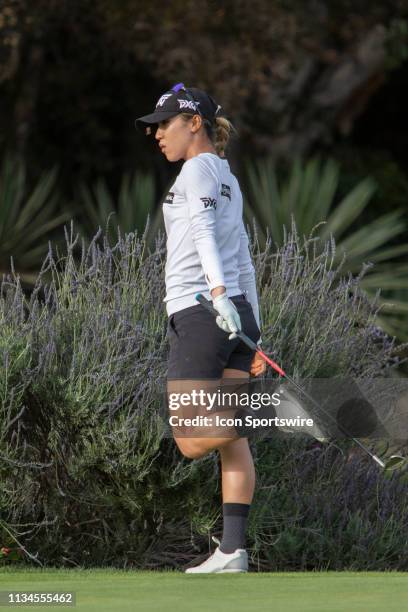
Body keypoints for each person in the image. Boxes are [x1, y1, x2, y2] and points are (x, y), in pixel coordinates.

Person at [135, 83, 266, 573]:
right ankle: (233, 552)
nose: (156, 135)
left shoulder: (197, 168)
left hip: (202, 312)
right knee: (231, 439)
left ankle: (279, 414)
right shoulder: (226, 174)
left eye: (164, 124)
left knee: (190, 436)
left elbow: (208, 235)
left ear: (194, 123)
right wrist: (253, 325)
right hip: (233, 313)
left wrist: (214, 296)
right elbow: (245, 258)